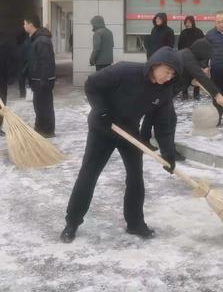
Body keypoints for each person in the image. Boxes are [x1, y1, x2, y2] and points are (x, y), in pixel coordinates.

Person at [60, 46, 183, 244]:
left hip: (130, 132)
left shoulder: (164, 90)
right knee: (89, 174)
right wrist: (101, 110)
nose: (168, 77)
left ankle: (135, 223)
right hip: (102, 127)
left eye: (172, 75)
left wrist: (168, 153)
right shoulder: (125, 71)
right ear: (156, 64)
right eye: (167, 72)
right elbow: (91, 84)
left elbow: (163, 124)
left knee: (135, 177)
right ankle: (72, 222)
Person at [24, 15, 56, 138]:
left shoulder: (41, 40)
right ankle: (41, 128)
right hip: (38, 79)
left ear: (30, 25)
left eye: (25, 23)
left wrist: (44, 80)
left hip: (43, 80)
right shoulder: (35, 39)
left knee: (44, 106)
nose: (24, 26)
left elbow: (46, 62)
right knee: (39, 105)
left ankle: (46, 130)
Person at [178, 15, 204, 100]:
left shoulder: (199, 32)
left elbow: (203, 44)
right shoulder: (183, 33)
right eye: (186, 23)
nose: (187, 24)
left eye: (189, 22)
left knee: (196, 76)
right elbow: (180, 46)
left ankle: (196, 94)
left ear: (193, 22)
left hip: (197, 58)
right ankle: (184, 93)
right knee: (184, 76)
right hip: (185, 57)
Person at [0, 32, 18, 133]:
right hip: (3, 78)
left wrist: (12, 75)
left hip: (2, 79)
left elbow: (12, 60)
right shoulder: (6, 41)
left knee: (1, 104)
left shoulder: (6, 41)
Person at [16, 30, 30, 98]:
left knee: (22, 79)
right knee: (27, 79)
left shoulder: (22, 45)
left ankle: (23, 93)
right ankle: (25, 93)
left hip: (23, 64)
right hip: (24, 63)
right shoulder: (27, 43)